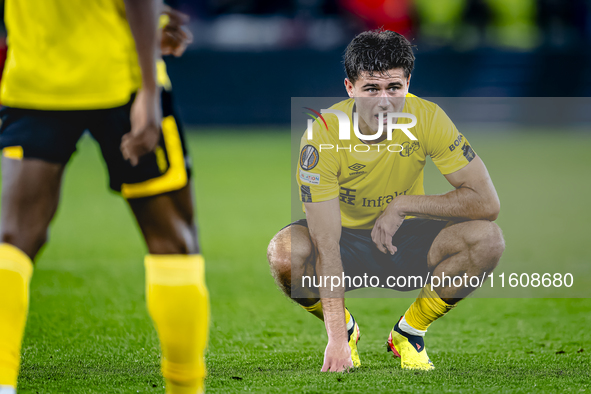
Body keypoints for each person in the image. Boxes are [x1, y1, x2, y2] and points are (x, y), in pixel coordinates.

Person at [0, 1, 208, 393]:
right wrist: (148, 90)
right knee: (173, 241)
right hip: (121, 81)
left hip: (34, 80)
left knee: (14, 239)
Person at [267, 30, 504, 372]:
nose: (384, 102)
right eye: (371, 89)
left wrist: (404, 205)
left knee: (487, 239)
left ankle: (410, 332)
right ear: (350, 88)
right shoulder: (322, 136)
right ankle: (348, 330)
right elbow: (327, 244)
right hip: (343, 243)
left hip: (405, 238)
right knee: (285, 253)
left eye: (394, 87)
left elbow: (486, 203)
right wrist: (335, 338)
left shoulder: (429, 117)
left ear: (408, 81)